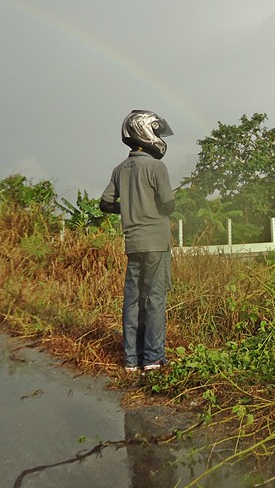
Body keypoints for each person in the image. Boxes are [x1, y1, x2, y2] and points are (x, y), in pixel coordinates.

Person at [100, 110, 175, 373]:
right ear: (145, 131)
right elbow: (168, 204)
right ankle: (154, 359)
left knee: (132, 300)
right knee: (155, 299)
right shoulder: (157, 167)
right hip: (156, 242)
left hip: (133, 243)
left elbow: (105, 204)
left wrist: (130, 207)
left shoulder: (120, 170)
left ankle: (132, 361)